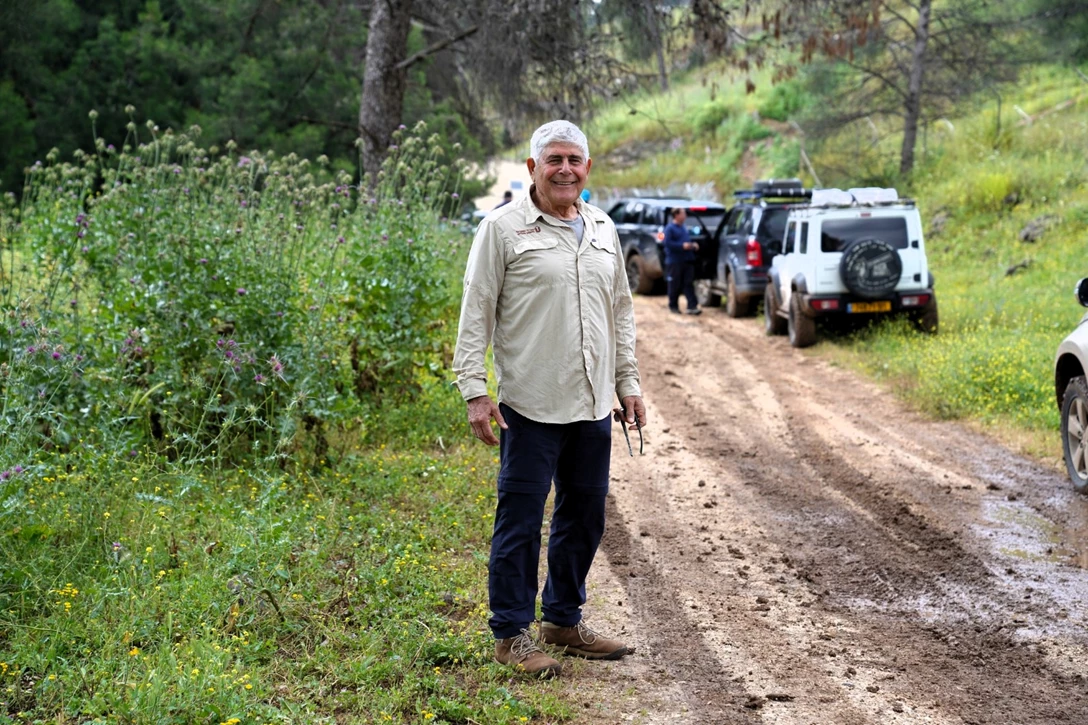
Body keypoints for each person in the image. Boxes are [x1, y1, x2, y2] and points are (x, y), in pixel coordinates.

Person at [453, 120, 646, 678]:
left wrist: (627, 382)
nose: (566, 169)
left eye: (575, 160)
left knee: (584, 516)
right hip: (528, 406)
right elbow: (476, 311)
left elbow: (621, 313)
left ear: (587, 168)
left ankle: (562, 620)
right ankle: (511, 634)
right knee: (519, 520)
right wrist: (475, 390)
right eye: (554, 159)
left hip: (591, 406)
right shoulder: (502, 228)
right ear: (532, 168)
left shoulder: (603, 227)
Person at [663, 207, 701, 315]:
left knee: (688, 283)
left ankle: (692, 306)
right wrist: (681, 246)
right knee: (674, 284)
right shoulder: (670, 229)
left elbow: (686, 241)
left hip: (687, 260)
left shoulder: (683, 228)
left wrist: (692, 245)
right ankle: (673, 306)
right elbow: (668, 244)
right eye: (683, 214)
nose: (685, 216)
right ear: (676, 215)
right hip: (674, 261)